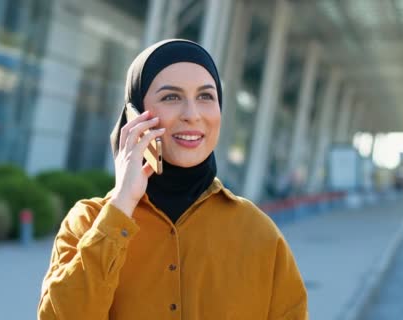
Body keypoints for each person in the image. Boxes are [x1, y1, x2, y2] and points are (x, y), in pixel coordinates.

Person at [38, 39, 308, 319]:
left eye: (206, 97)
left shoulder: (258, 233)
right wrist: (120, 207)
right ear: (134, 115)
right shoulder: (88, 222)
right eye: (171, 97)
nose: (192, 115)